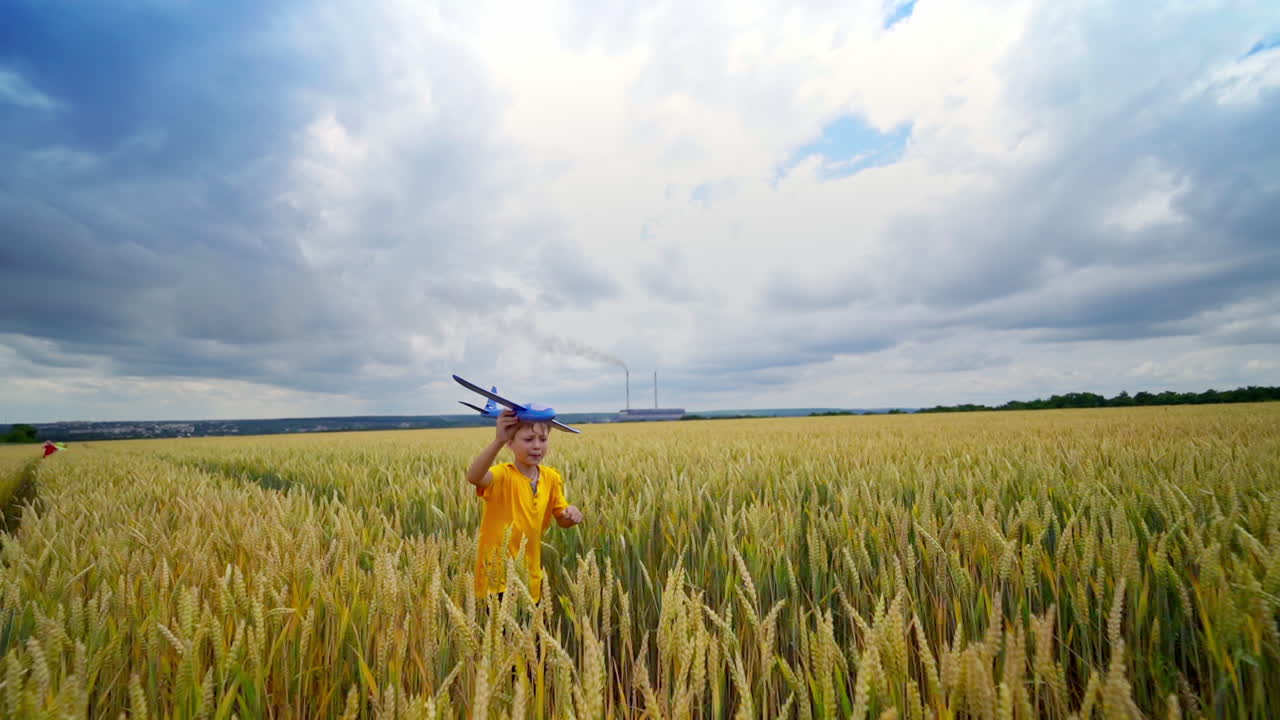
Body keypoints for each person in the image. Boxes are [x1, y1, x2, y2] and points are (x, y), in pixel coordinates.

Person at [465, 408, 583, 604]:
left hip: (531, 579)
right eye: (528, 440)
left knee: (531, 633)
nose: (537, 446)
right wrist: (498, 441)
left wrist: (571, 514)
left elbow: (562, 518)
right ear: (510, 442)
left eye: (543, 439)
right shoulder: (502, 475)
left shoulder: (551, 478)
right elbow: (474, 477)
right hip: (497, 578)